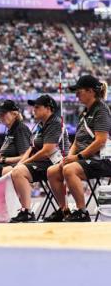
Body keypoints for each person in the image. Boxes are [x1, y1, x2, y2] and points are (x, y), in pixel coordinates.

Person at [46, 75, 111, 222]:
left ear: (90, 91)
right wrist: (68, 157)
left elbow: (101, 141)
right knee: (52, 171)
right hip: (85, 159)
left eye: (79, 91)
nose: (76, 94)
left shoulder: (101, 110)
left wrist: (77, 158)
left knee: (70, 170)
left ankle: (82, 212)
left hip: (102, 160)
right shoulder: (85, 112)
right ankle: (64, 210)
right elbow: (77, 140)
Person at [9, 95, 69, 223]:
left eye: (37, 107)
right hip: (42, 163)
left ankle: (27, 212)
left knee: (18, 172)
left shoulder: (55, 122)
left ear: (48, 109)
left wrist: (25, 163)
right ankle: (19, 209)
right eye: (33, 107)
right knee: (13, 170)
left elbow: (48, 151)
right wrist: (21, 162)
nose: (33, 110)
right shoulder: (40, 125)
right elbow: (31, 148)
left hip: (54, 163)